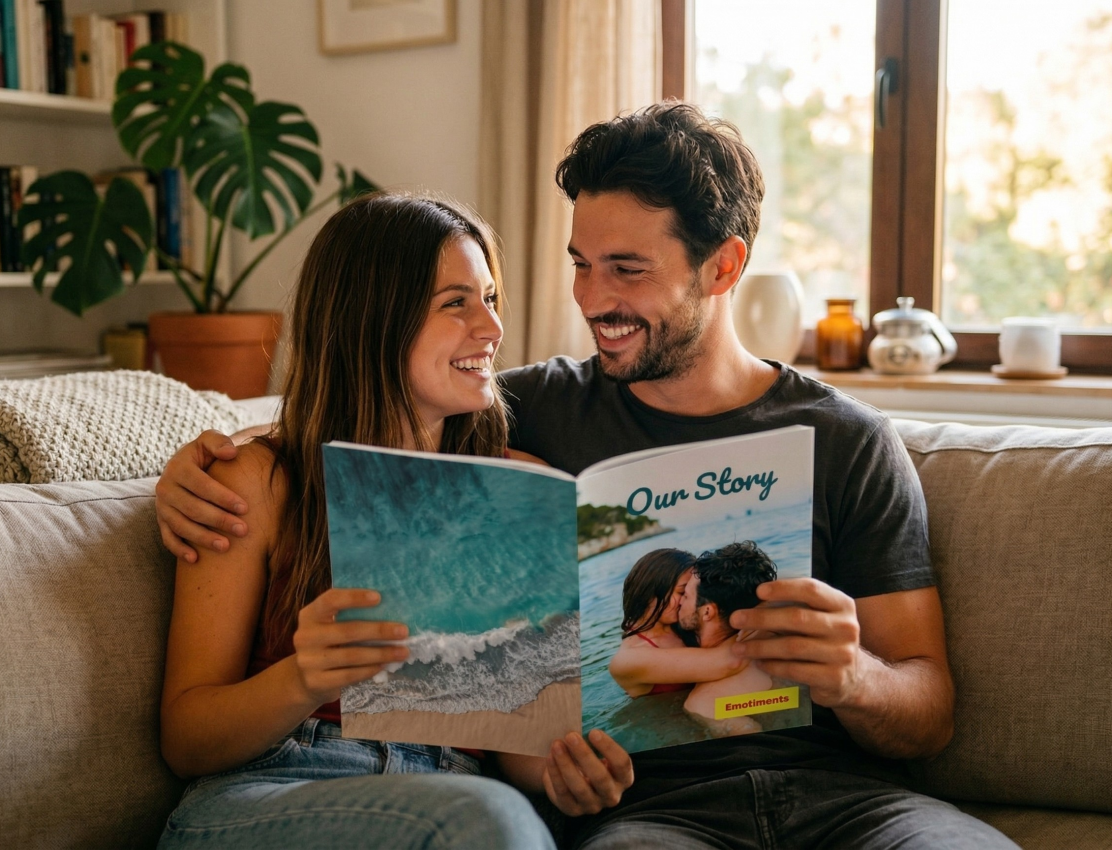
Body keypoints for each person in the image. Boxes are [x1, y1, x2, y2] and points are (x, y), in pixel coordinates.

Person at [153, 104, 1018, 848]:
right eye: (579, 263)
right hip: (647, 816)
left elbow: (928, 706)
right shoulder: (522, 420)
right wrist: (196, 458)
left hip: (846, 800)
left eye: (628, 270)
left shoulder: (847, 440)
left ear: (723, 266)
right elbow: (361, 418)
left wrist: (855, 676)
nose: (589, 299)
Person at [152, 191, 567, 849]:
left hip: (455, 790)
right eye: (456, 303)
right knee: (491, 823)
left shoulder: (518, 488)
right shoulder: (257, 482)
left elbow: (513, 742)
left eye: (489, 299)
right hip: (277, 788)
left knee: (505, 819)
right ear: (372, 320)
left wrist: (562, 771)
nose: (490, 329)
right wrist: (302, 678)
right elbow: (187, 742)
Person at [607, 547, 748, 699]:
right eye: (682, 592)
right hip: (676, 719)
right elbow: (730, 663)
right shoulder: (628, 660)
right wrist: (751, 623)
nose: (685, 601)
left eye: (691, 593)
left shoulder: (683, 622)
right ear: (650, 590)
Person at [675, 542, 779, 734]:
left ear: (707, 612)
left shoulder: (705, 702)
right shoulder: (779, 639)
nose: (679, 601)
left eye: (686, 596)